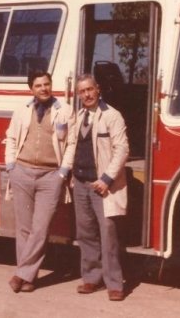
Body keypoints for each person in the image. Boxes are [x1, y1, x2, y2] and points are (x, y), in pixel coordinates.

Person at [60, 74, 129, 301]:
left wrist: (107, 179)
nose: (87, 95)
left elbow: (122, 150)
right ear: (78, 94)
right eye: (82, 91)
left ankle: (114, 283)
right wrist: (66, 172)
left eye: (90, 89)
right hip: (80, 183)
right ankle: (91, 279)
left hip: (103, 185)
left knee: (108, 234)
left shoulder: (112, 115)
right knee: (86, 233)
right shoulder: (78, 117)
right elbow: (72, 145)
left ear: (98, 89)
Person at [4, 70, 71, 293]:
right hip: (22, 172)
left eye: (46, 84)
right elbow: (11, 137)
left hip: (50, 176)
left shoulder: (64, 111)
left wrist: (63, 171)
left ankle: (20, 274)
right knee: (23, 228)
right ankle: (29, 277)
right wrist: (11, 166)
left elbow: (70, 143)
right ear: (31, 89)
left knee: (40, 229)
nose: (43, 88)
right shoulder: (22, 110)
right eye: (38, 85)